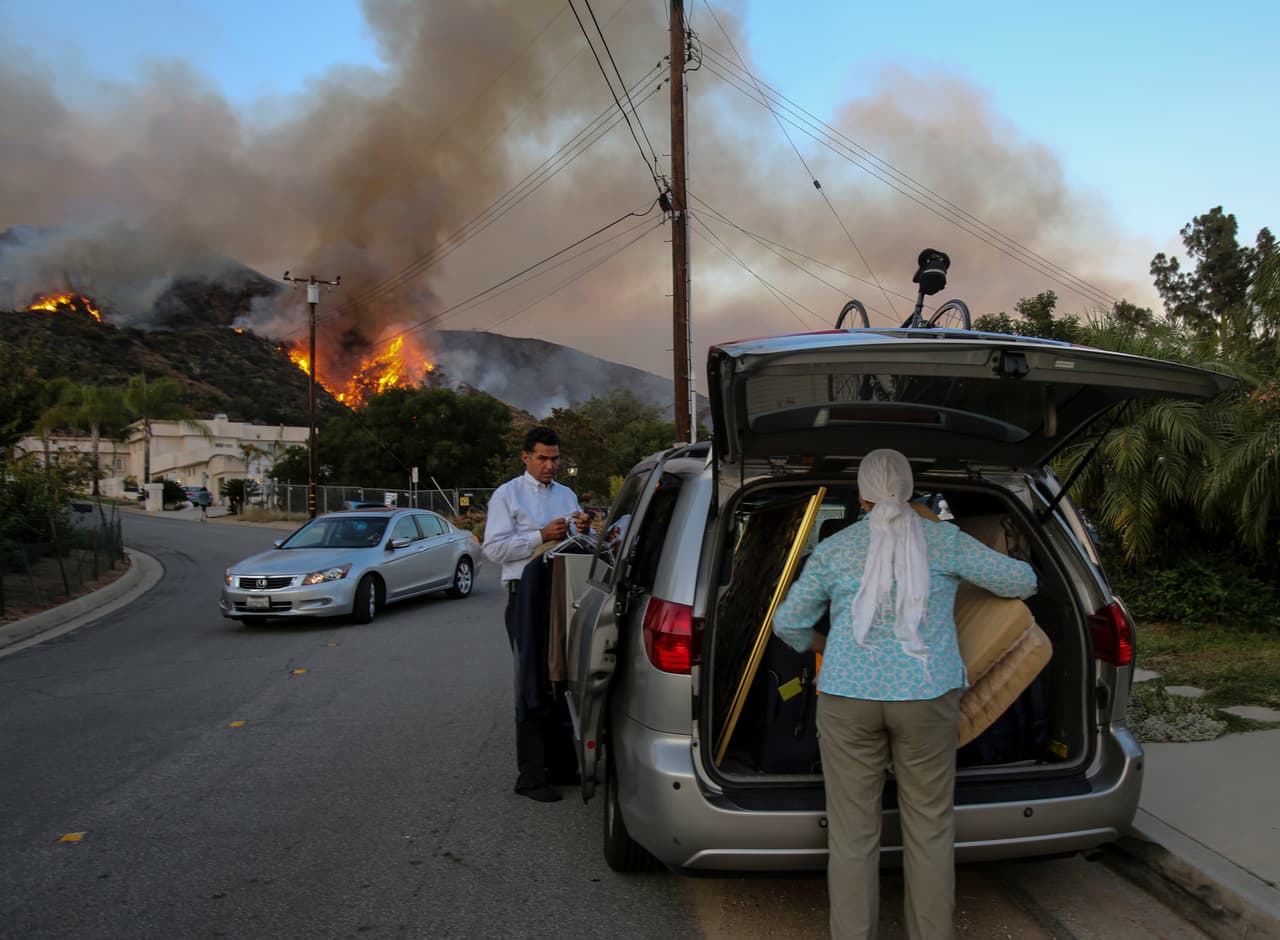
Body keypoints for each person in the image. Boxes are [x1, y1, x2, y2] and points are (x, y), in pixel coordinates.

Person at [773, 449, 1037, 940]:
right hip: (926, 697)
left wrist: (829, 647)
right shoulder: (945, 541)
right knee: (930, 830)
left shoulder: (835, 549)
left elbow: (787, 623)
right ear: (911, 492)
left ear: (861, 498)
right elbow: (1023, 581)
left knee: (852, 836)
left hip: (848, 699)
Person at [483, 426, 590, 803]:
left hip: (561, 594)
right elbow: (493, 550)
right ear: (525, 457)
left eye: (555, 459)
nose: (550, 465)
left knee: (561, 678)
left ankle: (562, 766)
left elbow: (578, 545)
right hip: (524, 597)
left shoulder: (566, 494)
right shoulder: (507, 495)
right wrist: (540, 536)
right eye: (542, 458)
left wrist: (583, 530)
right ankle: (531, 775)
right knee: (531, 680)